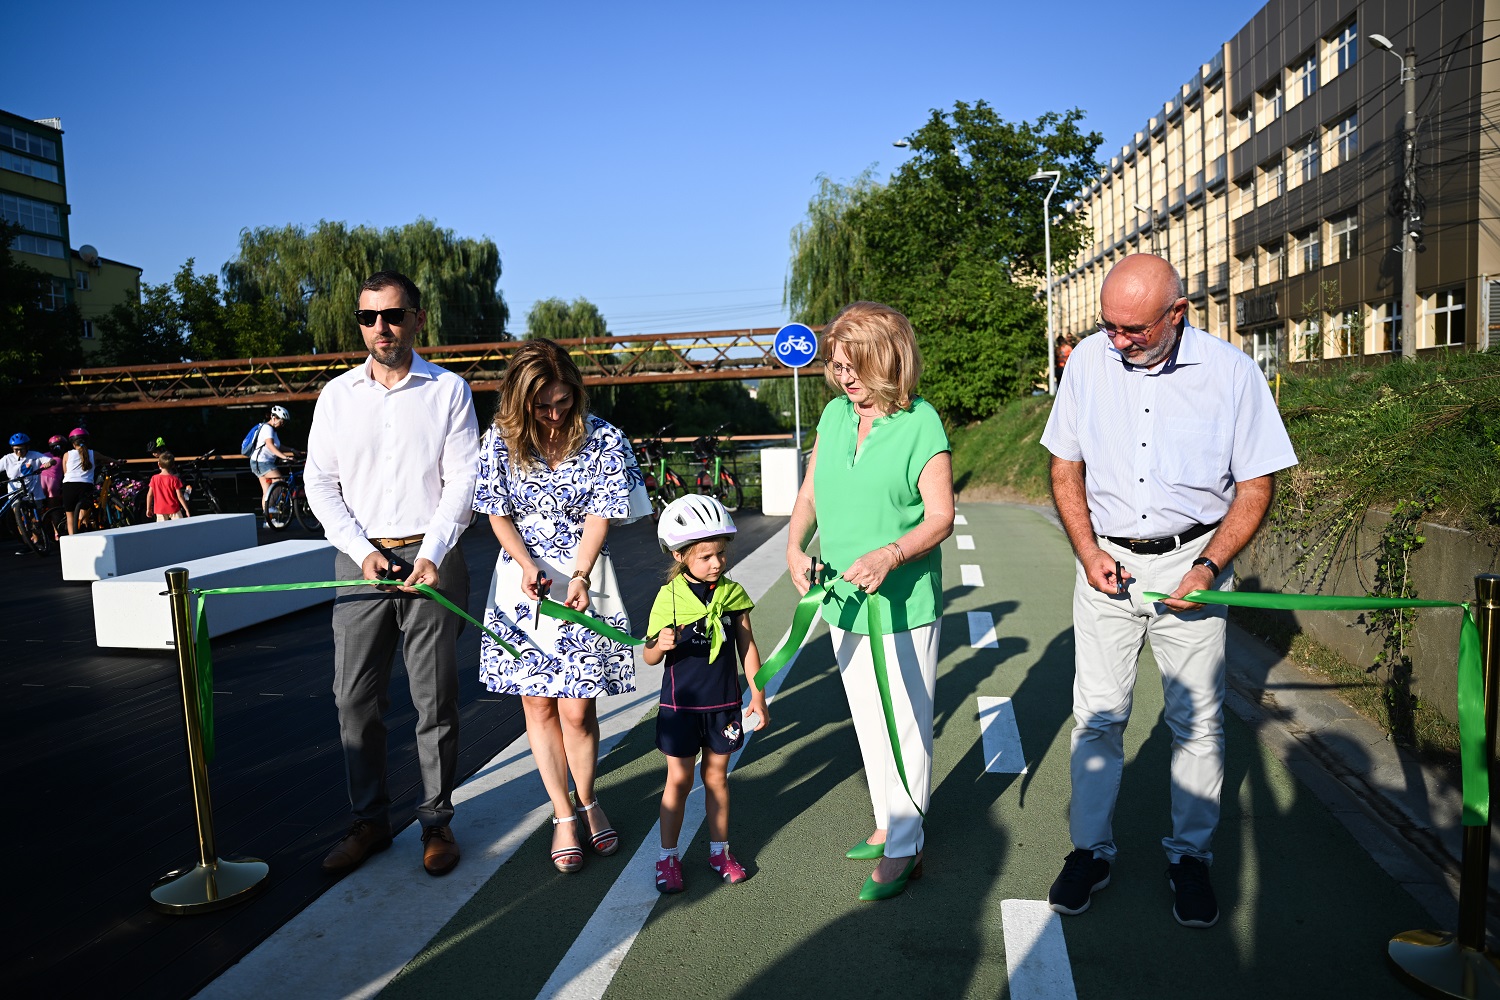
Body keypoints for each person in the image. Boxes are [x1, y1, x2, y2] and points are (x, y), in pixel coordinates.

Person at [1039, 253, 1297, 929]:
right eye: (1109, 327)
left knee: (1197, 722)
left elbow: (1257, 484)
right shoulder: (1089, 364)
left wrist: (1208, 568)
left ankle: (1190, 859)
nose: (1118, 342)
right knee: (1098, 715)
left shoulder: (1232, 374)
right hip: (1106, 568)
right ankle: (1090, 852)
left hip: (1193, 564)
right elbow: (1065, 468)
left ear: (1176, 314)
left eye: (1134, 330)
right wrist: (1088, 550)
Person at [304, 270, 479, 878]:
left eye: (394, 315)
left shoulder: (449, 390)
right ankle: (370, 822)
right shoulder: (336, 396)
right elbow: (318, 483)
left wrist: (430, 551)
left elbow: (463, 479)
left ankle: (436, 821)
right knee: (353, 698)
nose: (382, 327)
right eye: (369, 317)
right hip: (360, 564)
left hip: (431, 560)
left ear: (418, 319)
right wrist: (361, 551)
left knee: (434, 701)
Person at [785, 301, 955, 902]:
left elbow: (940, 519)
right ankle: (887, 819)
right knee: (866, 713)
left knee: (905, 719)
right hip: (839, 597)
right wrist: (793, 547)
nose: (844, 376)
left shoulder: (920, 422)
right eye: (835, 365)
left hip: (900, 600)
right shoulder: (833, 418)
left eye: (853, 364)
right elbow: (809, 494)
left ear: (888, 359)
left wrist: (889, 556)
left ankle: (906, 845)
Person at [472, 337, 650, 873]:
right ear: (520, 400)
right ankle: (563, 814)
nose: (554, 414)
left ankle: (589, 799)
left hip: (583, 576)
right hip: (522, 580)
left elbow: (603, 512)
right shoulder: (499, 440)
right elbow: (496, 511)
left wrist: (578, 571)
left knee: (578, 706)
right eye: (542, 405)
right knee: (538, 705)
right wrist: (526, 564)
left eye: (563, 401)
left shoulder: (604, 438)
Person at [643, 495, 768, 893]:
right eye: (706, 557)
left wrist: (758, 695)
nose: (717, 563)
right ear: (680, 555)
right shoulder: (669, 597)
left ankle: (719, 852)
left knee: (717, 778)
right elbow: (648, 655)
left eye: (720, 554)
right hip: (681, 707)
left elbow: (747, 646)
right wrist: (659, 645)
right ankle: (667, 858)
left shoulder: (732, 594)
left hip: (724, 705)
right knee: (678, 780)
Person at [56, 428, 114, 535]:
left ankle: (72, 540)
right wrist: (117, 461)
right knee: (84, 512)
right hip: (85, 485)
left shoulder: (67, 455)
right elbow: (107, 458)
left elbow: (65, 472)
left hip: (68, 486)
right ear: (87, 441)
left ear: (73, 443)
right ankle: (84, 532)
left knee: (70, 516)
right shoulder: (93, 453)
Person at [248, 406, 296, 514]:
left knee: (267, 491)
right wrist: (285, 457)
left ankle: (268, 520)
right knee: (280, 481)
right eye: (282, 422)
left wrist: (292, 450)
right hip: (262, 462)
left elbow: (278, 445)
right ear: (274, 418)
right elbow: (270, 445)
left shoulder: (272, 431)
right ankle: (270, 509)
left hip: (259, 462)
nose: (283, 425)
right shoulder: (267, 428)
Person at [145, 451, 191, 521]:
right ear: (173, 465)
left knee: (162, 531)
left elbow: (149, 495)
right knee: (180, 528)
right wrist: (186, 509)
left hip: (160, 509)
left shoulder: (154, 478)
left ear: (159, 465)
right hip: (174, 508)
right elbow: (180, 496)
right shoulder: (175, 479)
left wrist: (148, 508)